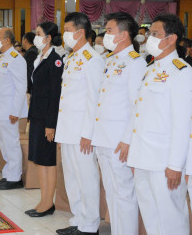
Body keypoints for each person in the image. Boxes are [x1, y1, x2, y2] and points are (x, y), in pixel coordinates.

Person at [127, 14, 192, 235]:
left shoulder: (181, 72)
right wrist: (135, 155)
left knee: (170, 219)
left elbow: (182, 123)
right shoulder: (151, 69)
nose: (149, 39)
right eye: (149, 34)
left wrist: (175, 165)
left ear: (172, 38)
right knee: (150, 215)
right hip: (144, 157)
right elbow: (140, 115)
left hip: (164, 161)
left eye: (155, 34)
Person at [92, 12, 146, 234]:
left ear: (124, 35)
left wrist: (127, 140)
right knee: (111, 191)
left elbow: (137, 106)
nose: (106, 34)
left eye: (110, 30)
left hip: (119, 140)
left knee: (123, 194)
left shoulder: (136, 63)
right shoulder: (111, 60)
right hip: (104, 136)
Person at [55, 12, 104, 235]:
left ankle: (90, 224)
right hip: (68, 129)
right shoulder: (72, 58)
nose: (64, 34)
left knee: (87, 178)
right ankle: (77, 219)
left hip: (82, 132)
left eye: (67, 30)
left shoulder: (92, 60)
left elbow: (94, 99)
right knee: (72, 178)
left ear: (80, 32)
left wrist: (88, 133)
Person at [25, 22, 63, 218]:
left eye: (39, 34)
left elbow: (55, 95)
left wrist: (51, 124)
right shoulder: (40, 58)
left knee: (47, 161)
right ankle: (43, 199)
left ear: (48, 37)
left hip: (47, 118)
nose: (36, 37)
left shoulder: (55, 60)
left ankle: (49, 202)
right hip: (37, 115)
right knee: (40, 160)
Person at [0, 28, 28, 190]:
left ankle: (15, 177)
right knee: (4, 143)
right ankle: (8, 174)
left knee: (11, 143)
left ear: (6, 40)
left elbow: (21, 88)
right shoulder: (3, 58)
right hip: (0, 109)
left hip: (9, 110)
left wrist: (15, 111)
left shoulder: (16, 58)